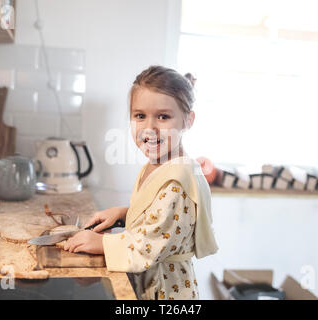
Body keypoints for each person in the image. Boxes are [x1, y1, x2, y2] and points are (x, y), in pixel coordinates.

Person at [64, 65, 218, 300]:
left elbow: (147, 246)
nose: (149, 128)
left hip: (166, 292)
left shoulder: (178, 180)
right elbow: (163, 217)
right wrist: (125, 213)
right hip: (150, 282)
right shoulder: (158, 166)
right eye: (140, 116)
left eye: (163, 117)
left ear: (188, 121)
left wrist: (102, 242)